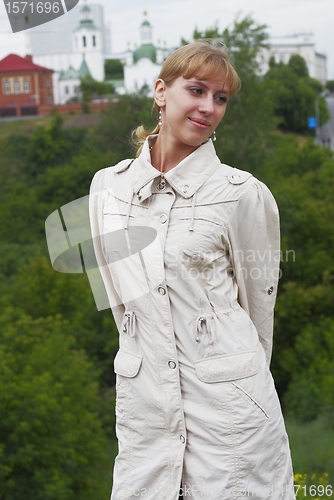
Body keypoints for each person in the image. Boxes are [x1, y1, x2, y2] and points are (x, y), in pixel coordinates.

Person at [89, 42, 295, 500]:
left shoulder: (243, 194)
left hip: (231, 417)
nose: (208, 107)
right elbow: (121, 304)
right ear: (161, 92)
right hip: (145, 413)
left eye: (220, 98)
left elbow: (260, 316)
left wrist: (226, 375)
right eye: (197, 90)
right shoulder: (107, 188)